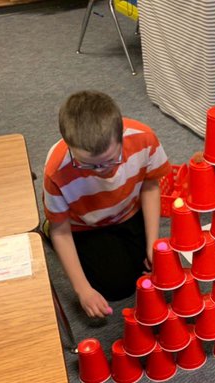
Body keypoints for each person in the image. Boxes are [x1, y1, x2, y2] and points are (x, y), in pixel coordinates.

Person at [43, 90, 169, 319]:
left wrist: (153, 242)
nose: (104, 171)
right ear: (69, 146)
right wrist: (82, 290)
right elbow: (61, 231)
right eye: (89, 165)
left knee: (161, 264)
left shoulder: (144, 137)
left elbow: (150, 187)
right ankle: (46, 225)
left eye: (111, 160)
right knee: (117, 287)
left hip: (129, 211)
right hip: (85, 225)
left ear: (122, 135)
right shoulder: (56, 169)